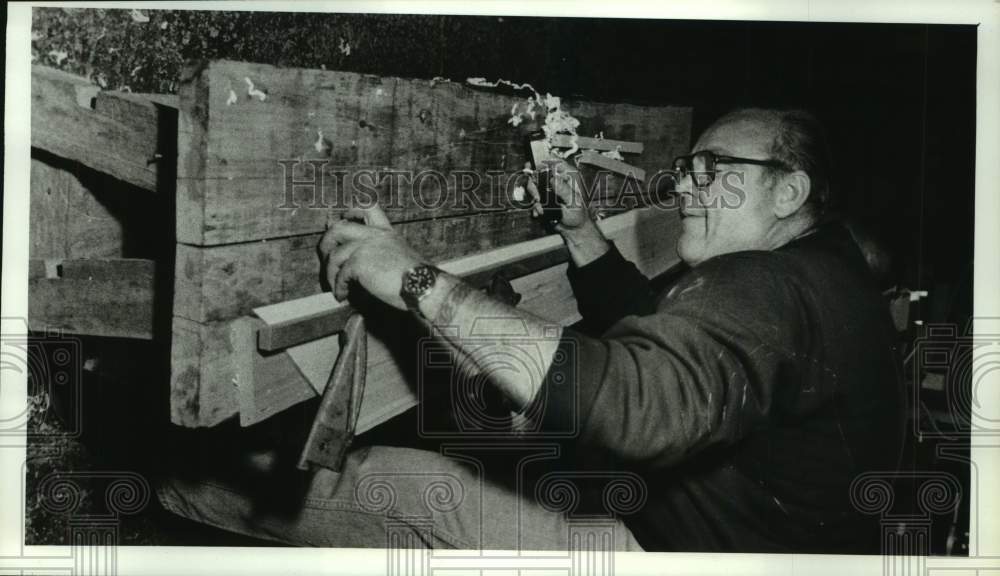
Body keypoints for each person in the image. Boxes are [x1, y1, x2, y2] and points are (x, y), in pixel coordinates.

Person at [158, 107, 904, 552]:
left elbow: (633, 406)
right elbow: (665, 354)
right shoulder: (830, 280)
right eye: (686, 165)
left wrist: (410, 275)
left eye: (711, 168)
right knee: (507, 430)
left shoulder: (772, 286)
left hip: (654, 551)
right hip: (716, 535)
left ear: (789, 191)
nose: (682, 183)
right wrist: (583, 236)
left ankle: (168, 483)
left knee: (393, 487)